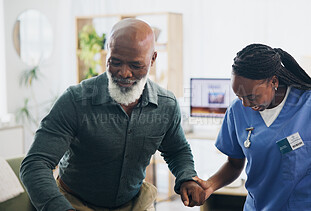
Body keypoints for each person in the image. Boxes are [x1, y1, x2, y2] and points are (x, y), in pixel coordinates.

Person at [20, 18, 205, 211]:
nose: (124, 73)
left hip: (134, 202)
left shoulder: (166, 105)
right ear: (107, 53)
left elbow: (177, 150)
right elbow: (35, 163)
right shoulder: (75, 101)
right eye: (115, 62)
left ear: (153, 59)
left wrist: (187, 177)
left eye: (136, 65)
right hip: (74, 203)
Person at [193, 43, 311, 210]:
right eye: (239, 96)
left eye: (252, 97)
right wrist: (210, 185)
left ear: (274, 82)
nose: (244, 104)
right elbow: (234, 164)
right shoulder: (237, 110)